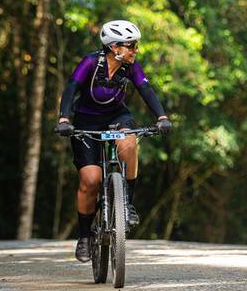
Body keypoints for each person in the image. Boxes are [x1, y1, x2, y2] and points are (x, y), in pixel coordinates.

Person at [55, 20, 171, 262]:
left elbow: (146, 90)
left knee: (128, 144)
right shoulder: (91, 62)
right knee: (91, 180)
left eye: (136, 46)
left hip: (117, 117)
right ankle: (85, 236)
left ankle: (127, 203)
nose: (135, 50)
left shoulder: (131, 67)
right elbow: (71, 88)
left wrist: (162, 117)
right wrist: (64, 119)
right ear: (114, 47)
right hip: (86, 121)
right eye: (131, 46)